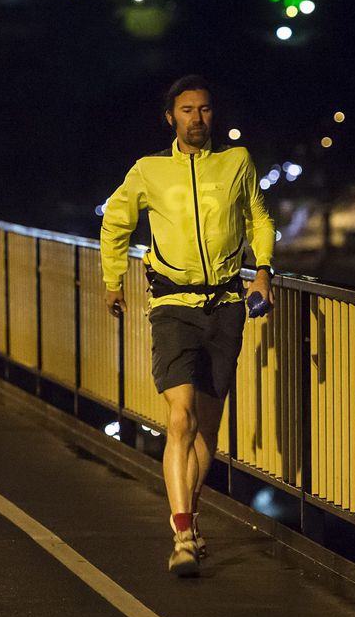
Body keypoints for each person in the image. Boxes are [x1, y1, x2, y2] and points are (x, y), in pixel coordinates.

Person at [100, 74, 275, 576]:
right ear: (170, 118)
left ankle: (191, 524)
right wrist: (113, 280)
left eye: (204, 110)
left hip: (226, 304)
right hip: (173, 303)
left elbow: (259, 218)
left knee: (207, 427)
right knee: (180, 419)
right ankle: (181, 534)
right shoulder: (148, 170)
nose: (197, 119)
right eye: (187, 110)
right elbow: (116, 221)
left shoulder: (235, 163)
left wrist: (262, 271)